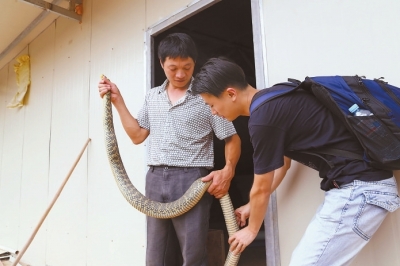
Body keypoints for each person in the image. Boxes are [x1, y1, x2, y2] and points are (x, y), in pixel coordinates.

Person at [191, 57, 400, 266]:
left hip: (359, 189)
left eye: (212, 104)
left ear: (230, 94)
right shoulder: (276, 96)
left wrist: (252, 229)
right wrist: (251, 208)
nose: (213, 112)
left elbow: (260, 187)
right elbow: (283, 164)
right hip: (361, 188)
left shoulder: (262, 119)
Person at [98, 34, 241, 266]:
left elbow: (232, 138)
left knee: (192, 254)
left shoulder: (206, 96)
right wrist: (117, 100)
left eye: (187, 67)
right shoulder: (152, 96)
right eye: (173, 68)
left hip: (193, 179)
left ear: (195, 63)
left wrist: (228, 171)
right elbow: (137, 135)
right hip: (154, 179)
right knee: (156, 256)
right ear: (162, 63)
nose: (181, 74)